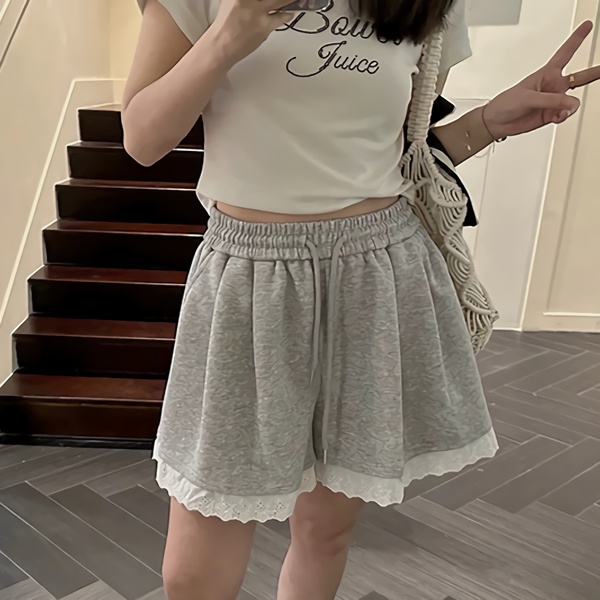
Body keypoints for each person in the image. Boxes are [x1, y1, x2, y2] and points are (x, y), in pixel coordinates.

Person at [123, 0, 600, 598]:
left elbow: (400, 154)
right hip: (250, 278)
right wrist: (227, 37)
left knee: (325, 532)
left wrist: (489, 121)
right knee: (195, 567)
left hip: (377, 273)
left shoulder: (429, 4)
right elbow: (142, 139)